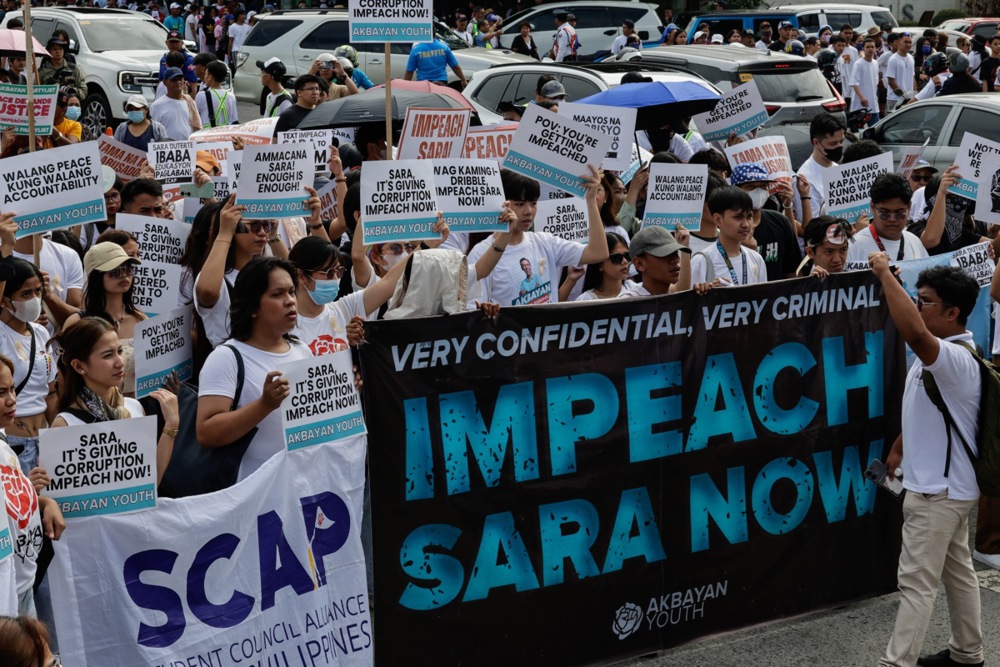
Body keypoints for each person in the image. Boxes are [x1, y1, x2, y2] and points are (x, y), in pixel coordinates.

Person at [872, 256, 984, 667]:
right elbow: (932, 407)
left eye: (925, 301)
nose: (917, 308)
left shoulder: (950, 356)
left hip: (937, 494)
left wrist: (885, 275)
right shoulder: (947, 353)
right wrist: (901, 445)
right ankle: (967, 654)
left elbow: (915, 334)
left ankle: (896, 663)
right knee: (957, 574)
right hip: (949, 490)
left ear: (952, 313)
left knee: (916, 584)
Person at [197, 257, 313, 482]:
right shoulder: (226, 357)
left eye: (291, 292)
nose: (290, 301)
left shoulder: (302, 350)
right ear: (252, 307)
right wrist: (264, 405)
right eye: (277, 294)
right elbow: (206, 433)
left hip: (299, 485)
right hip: (253, 495)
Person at [48, 318, 177, 486]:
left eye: (120, 351)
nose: (120, 362)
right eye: (108, 355)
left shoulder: (134, 407)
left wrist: (171, 425)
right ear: (79, 366)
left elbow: (150, 484)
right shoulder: (64, 425)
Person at [467, 167, 609, 306]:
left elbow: (598, 253)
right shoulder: (481, 254)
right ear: (502, 204)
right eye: (520, 204)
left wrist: (590, 201)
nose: (528, 211)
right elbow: (475, 311)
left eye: (533, 203)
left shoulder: (545, 242)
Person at [62, 241, 146, 396]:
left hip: (138, 412)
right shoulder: (76, 323)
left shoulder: (140, 320)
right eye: (114, 271)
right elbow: (66, 377)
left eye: (128, 268)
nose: (124, 275)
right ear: (94, 276)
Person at [0, 256, 58, 476]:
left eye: (38, 291)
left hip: (44, 442)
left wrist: (57, 437)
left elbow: (51, 392)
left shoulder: (42, 332)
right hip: (13, 444)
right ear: (5, 301)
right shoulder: (2, 335)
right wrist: (5, 247)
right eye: (26, 294)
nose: (34, 299)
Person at [730, 162, 803, 280]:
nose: (759, 191)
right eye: (751, 187)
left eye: (763, 186)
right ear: (736, 190)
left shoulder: (780, 221)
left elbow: (793, 270)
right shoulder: (728, 228)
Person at [846, 172, 928, 270]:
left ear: (909, 207)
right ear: (873, 207)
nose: (892, 219)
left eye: (899, 212)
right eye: (884, 213)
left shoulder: (915, 243)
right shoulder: (853, 247)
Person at [691, 186, 768, 285]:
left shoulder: (756, 259)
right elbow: (690, 299)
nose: (746, 224)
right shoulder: (701, 261)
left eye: (749, 216)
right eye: (738, 217)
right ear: (718, 220)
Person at [620, 225, 703, 297]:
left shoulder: (674, 295)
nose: (675, 259)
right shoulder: (628, 303)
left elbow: (682, 289)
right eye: (665, 254)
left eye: (675, 252)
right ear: (639, 264)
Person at [793, 113, 845, 223]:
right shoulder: (805, 179)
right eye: (833, 143)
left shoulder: (837, 168)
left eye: (841, 141)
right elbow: (810, 225)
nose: (839, 146)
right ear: (816, 142)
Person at [575, 233, 636, 300]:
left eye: (627, 255)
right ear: (600, 264)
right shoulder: (585, 300)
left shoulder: (635, 289)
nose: (625, 261)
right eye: (616, 258)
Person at [150, 66, 201, 140]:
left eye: (180, 79)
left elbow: (198, 126)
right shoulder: (157, 106)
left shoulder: (190, 102)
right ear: (165, 82)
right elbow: (154, 132)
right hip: (167, 149)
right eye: (173, 80)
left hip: (189, 148)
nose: (178, 82)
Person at [196, 60, 237, 127]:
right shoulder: (231, 96)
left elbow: (194, 116)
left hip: (207, 134)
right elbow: (233, 120)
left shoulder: (202, 95)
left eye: (206, 74)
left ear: (210, 77)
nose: (204, 76)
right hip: (224, 135)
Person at [850, 37, 881, 124]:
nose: (870, 49)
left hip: (873, 105)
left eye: (872, 47)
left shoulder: (875, 63)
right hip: (860, 106)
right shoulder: (858, 64)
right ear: (863, 48)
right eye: (868, 47)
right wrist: (861, 97)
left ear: (875, 48)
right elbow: (854, 82)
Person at [159, 30, 198, 96]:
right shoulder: (164, 59)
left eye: (176, 42)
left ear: (182, 43)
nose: (174, 44)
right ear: (166, 43)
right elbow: (161, 81)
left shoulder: (188, 60)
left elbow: (193, 84)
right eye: (171, 42)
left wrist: (189, 102)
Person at [886, 31, 914, 111]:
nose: (908, 45)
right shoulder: (893, 59)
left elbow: (913, 77)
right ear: (898, 42)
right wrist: (903, 96)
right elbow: (891, 81)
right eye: (905, 42)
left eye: (910, 42)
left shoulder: (911, 58)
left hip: (909, 99)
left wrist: (914, 94)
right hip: (895, 99)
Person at [227, 10, 252, 74]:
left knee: (244, 69)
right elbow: (230, 41)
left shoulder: (248, 27)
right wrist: (229, 54)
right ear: (238, 16)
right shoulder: (233, 27)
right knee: (238, 69)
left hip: (245, 50)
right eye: (242, 15)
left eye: (244, 14)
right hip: (236, 50)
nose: (244, 16)